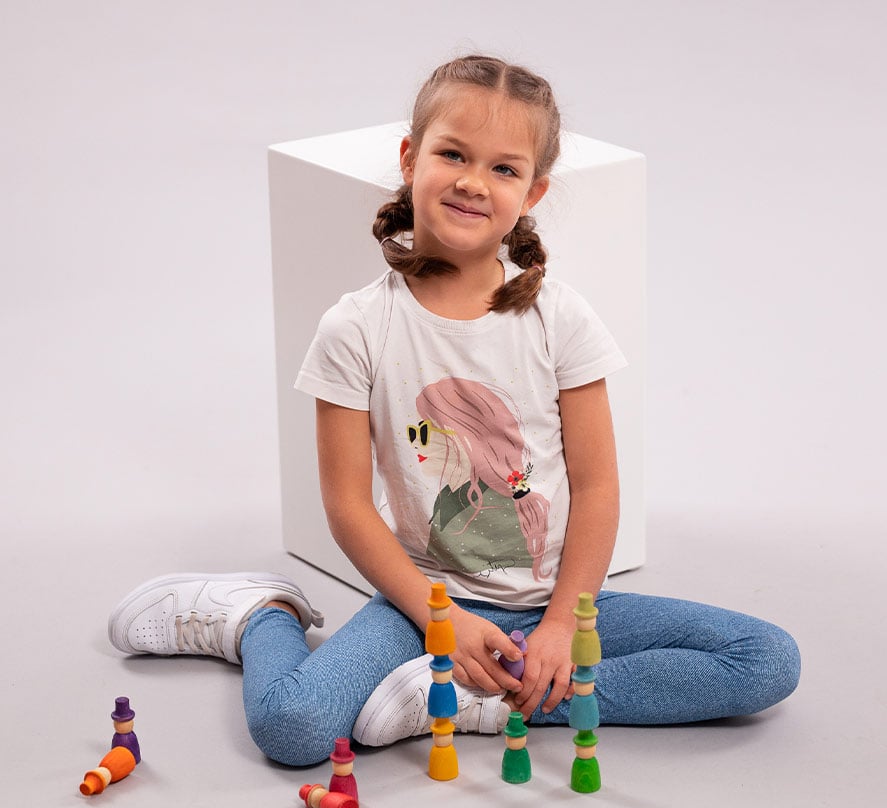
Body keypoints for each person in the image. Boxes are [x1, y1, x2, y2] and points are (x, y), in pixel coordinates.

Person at [107, 55, 801, 767]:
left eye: (504, 168)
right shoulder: (356, 327)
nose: (473, 181)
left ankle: (478, 703)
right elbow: (347, 504)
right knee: (293, 727)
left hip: (555, 602)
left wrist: (563, 627)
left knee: (765, 659)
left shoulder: (560, 318)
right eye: (453, 155)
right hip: (422, 607)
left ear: (532, 192)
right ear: (410, 159)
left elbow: (597, 487)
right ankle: (261, 617)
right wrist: (442, 623)